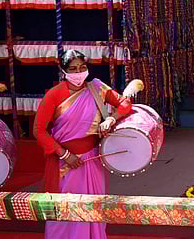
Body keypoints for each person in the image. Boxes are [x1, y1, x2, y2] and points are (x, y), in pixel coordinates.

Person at [34, 49, 133, 239]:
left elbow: (125, 104)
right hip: (65, 163)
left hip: (92, 160)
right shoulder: (54, 95)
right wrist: (65, 155)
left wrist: (112, 119)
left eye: (82, 67)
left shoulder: (96, 87)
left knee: (94, 209)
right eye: (73, 69)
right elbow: (38, 131)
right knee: (64, 212)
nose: (78, 72)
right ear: (63, 70)